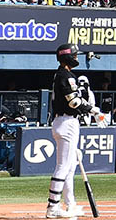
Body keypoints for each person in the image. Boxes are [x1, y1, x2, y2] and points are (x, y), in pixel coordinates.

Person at [47, 43, 101, 218]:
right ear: (68, 57)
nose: (77, 58)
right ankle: (52, 207)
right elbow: (74, 102)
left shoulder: (61, 74)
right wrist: (93, 110)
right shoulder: (66, 75)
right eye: (75, 55)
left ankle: (70, 204)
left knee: (69, 167)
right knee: (63, 167)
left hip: (64, 121)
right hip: (67, 121)